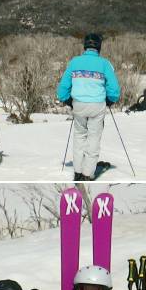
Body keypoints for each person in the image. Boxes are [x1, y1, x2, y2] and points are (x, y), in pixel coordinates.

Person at [56, 33, 120, 181]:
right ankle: (87, 174)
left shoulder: (75, 62)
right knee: (93, 140)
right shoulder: (105, 64)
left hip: (78, 105)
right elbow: (114, 89)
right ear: (99, 47)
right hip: (97, 106)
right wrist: (110, 100)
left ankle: (77, 172)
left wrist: (68, 100)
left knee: (79, 137)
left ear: (85, 46)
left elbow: (62, 89)